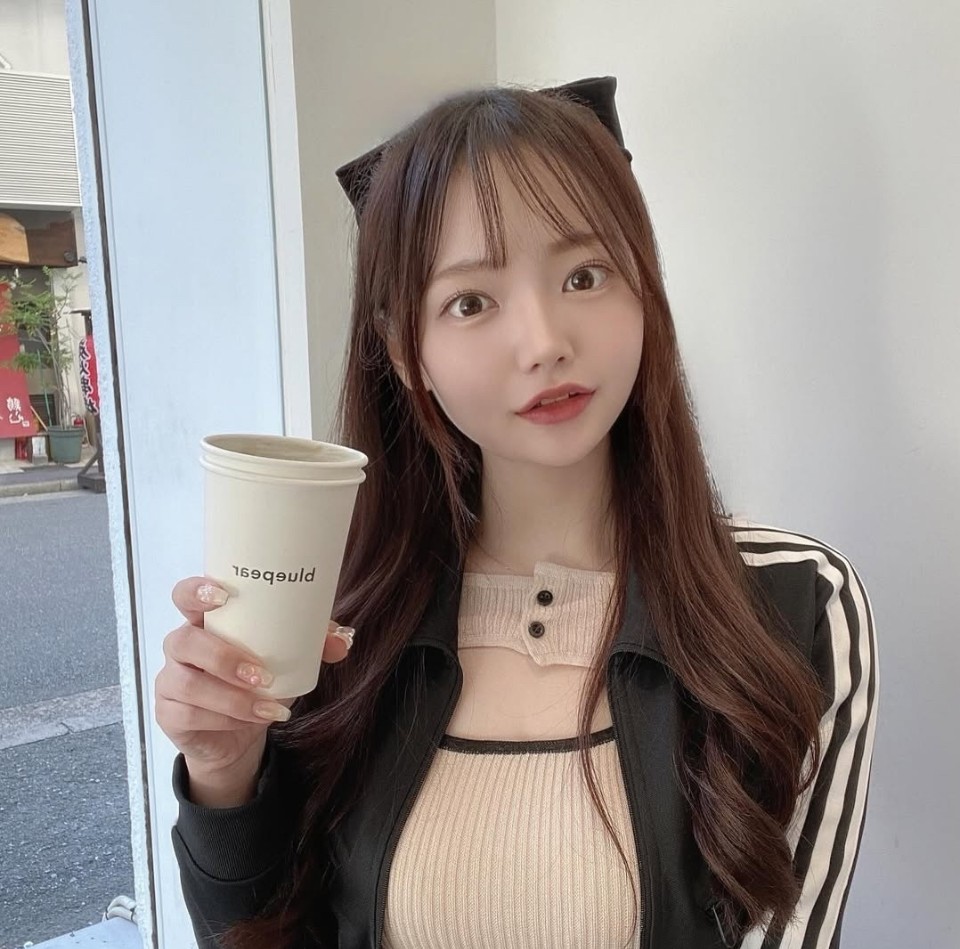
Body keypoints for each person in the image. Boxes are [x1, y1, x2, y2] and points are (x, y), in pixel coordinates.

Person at [156, 77, 878, 949]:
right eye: (471, 302)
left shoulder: (794, 605)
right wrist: (224, 771)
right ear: (404, 348)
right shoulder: (341, 621)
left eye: (584, 274)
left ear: (642, 285)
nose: (543, 342)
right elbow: (260, 931)